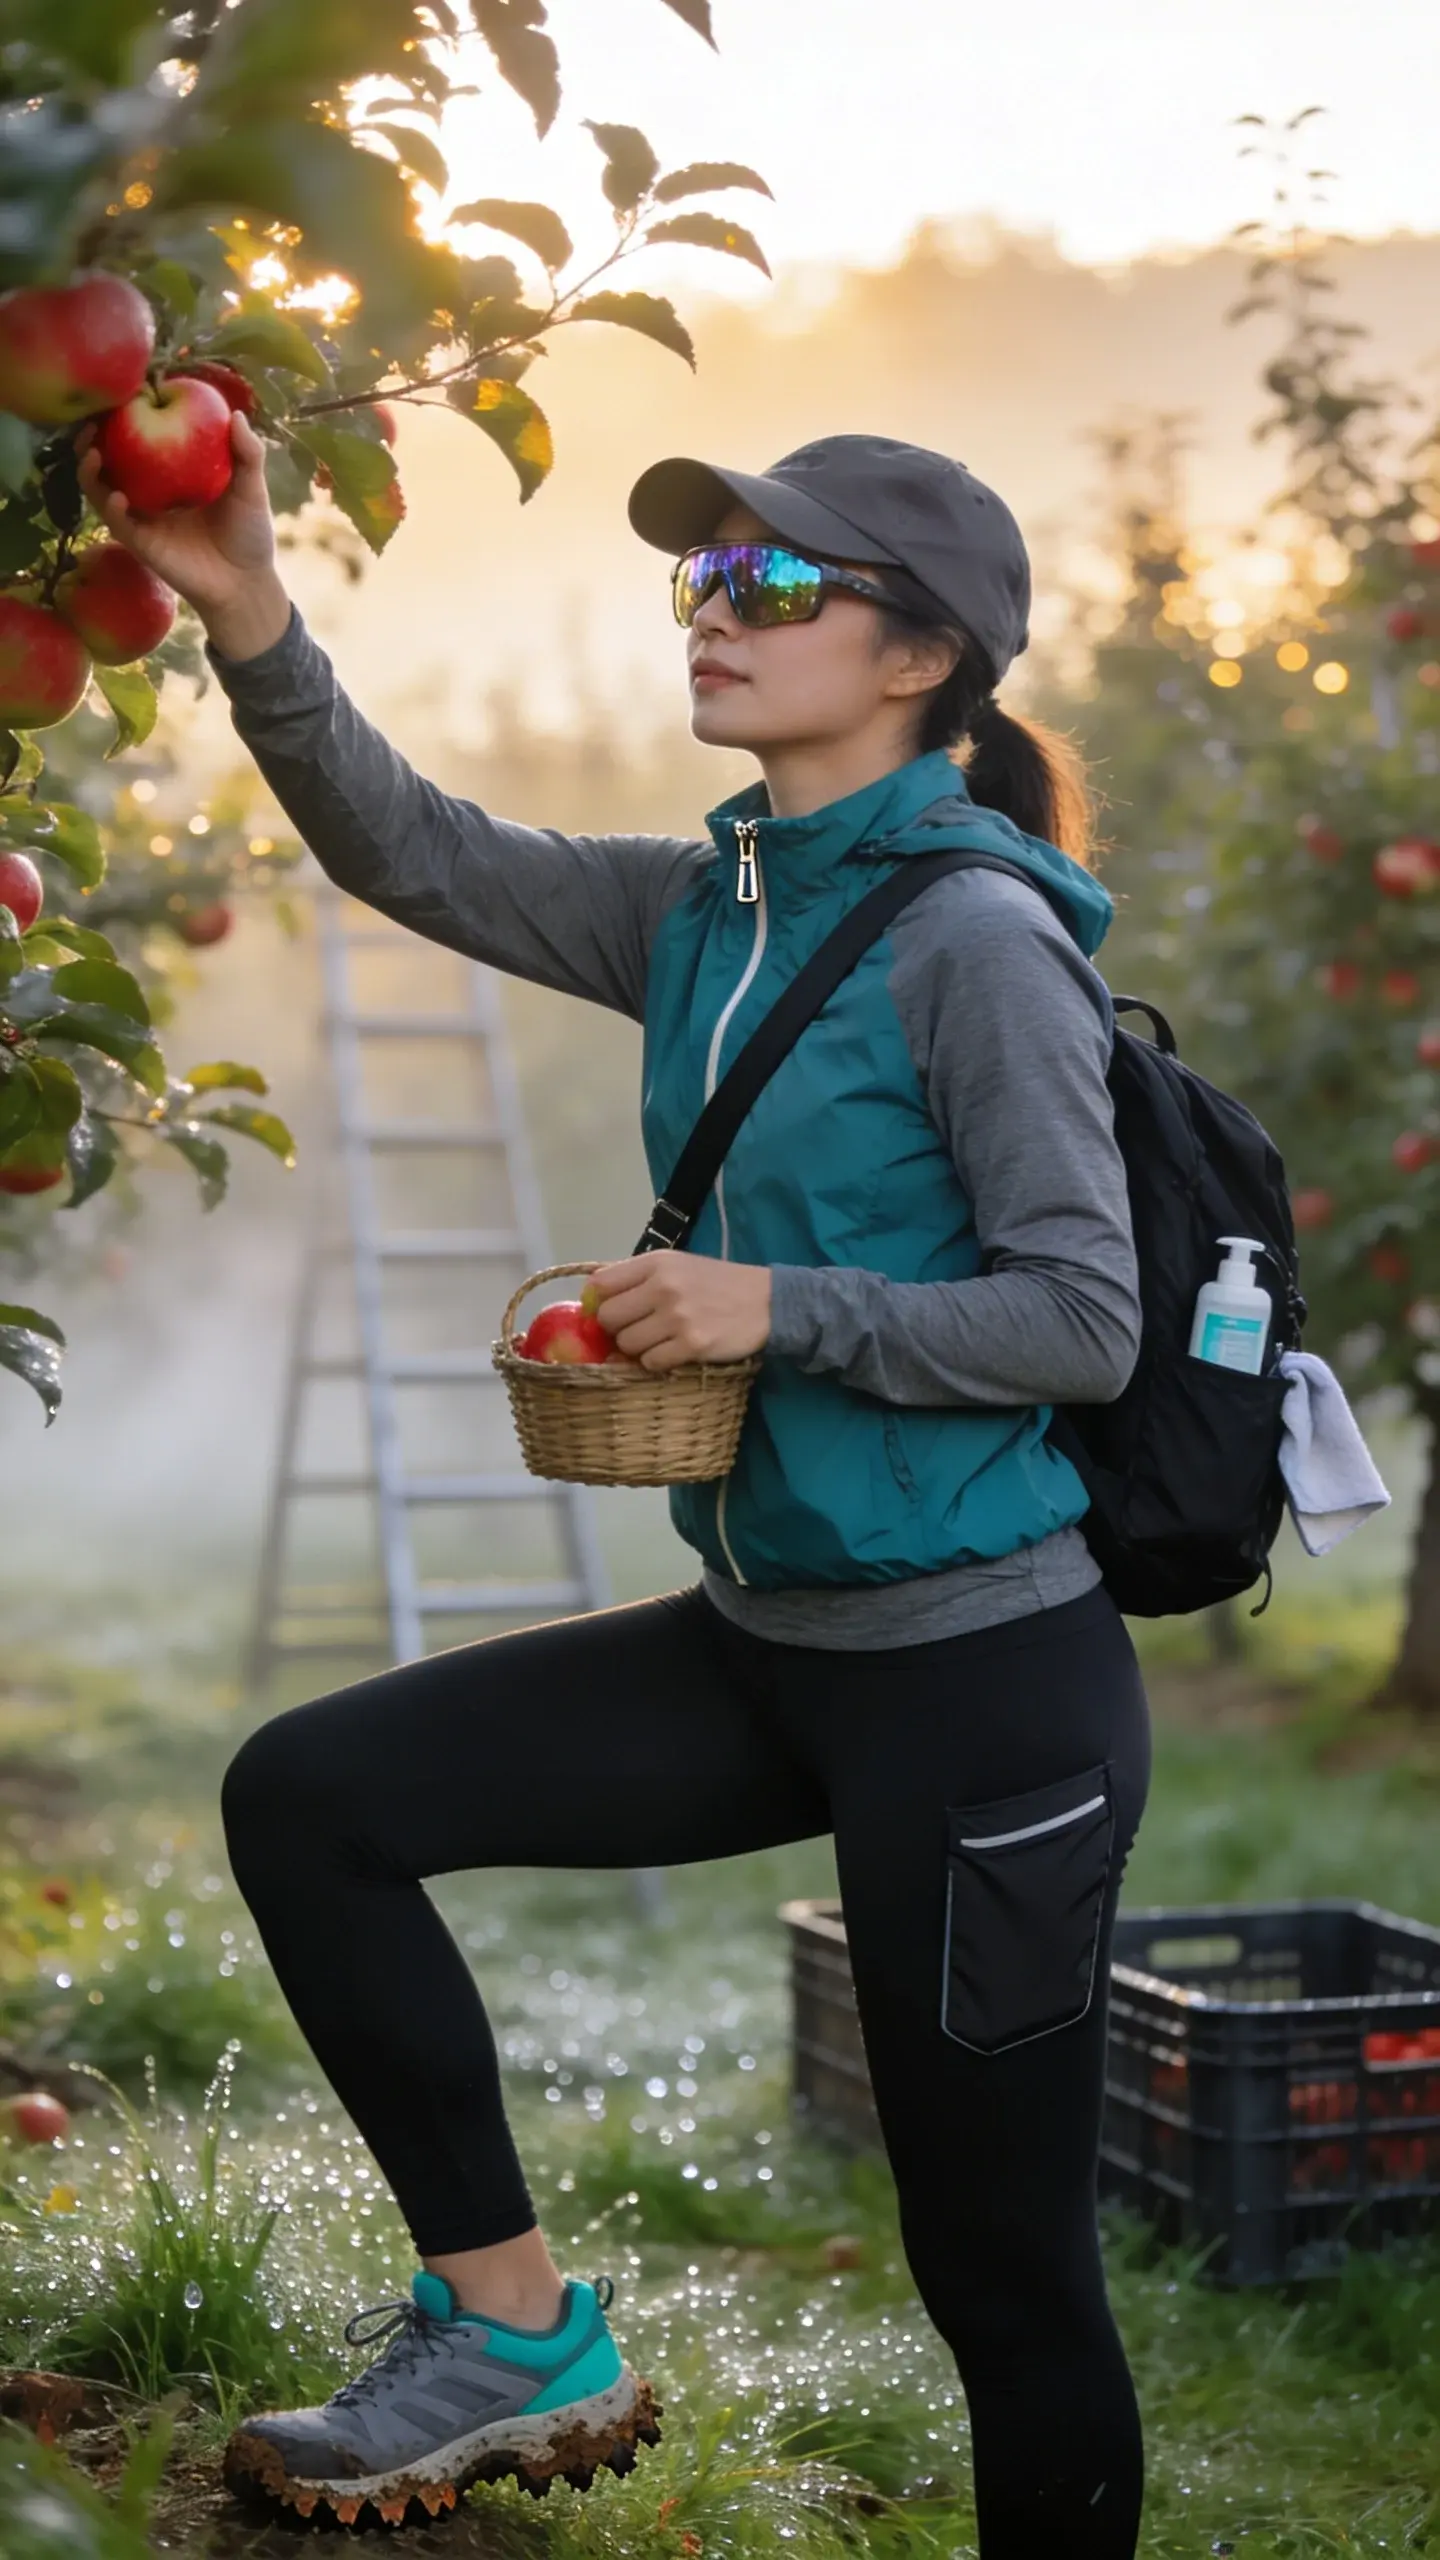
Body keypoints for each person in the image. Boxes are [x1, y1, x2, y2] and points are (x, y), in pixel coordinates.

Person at [77, 412, 1153, 2555]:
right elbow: (419, 849)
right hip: (767, 1640)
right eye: (703, 577)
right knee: (316, 1792)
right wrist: (254, 616)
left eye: (774, 584)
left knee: (998, 2267)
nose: (714, 612)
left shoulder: (978, 944)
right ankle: (510, 2328)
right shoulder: (712, 901)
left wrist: (782, 1308)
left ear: (927, 654)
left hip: (982, 1688)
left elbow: (1082, 1320)